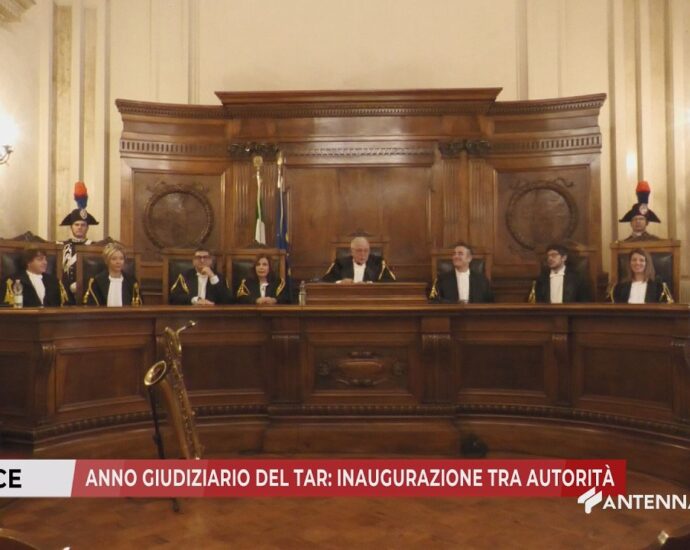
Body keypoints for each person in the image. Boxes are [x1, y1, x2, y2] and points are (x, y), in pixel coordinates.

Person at [59, 181, 99, 300]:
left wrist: (82, 284)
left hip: (87, 292)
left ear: (87, 227)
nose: (80, 227)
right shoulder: (61, 246)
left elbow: (96, 273)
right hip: (64, 293)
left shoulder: (95, 247)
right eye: (76, 225)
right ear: (71, 227)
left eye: (83, 225)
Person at [429, 242, 493, 303]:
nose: (456, 256)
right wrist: (455, 304)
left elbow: (490, 302)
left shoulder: (482, 280)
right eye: (454, 254)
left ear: (469, 258)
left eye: (460, 254)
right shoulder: (441, 279)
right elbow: (433, 299)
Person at [4, 248, 69, 307]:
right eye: (40, 259)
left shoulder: (54, 282)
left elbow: (66, 305)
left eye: (45, 259)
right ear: (28, 262)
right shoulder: (12, 281)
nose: (45, 262)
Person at [321, 236, 396, 283]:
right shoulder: (340, 263)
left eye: (366, 250)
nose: (363, 254)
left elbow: (391, 282)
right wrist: (340, 282)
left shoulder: (378, 262)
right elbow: (325, 280)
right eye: (359, 250)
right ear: (352, 251)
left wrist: (369, 284)